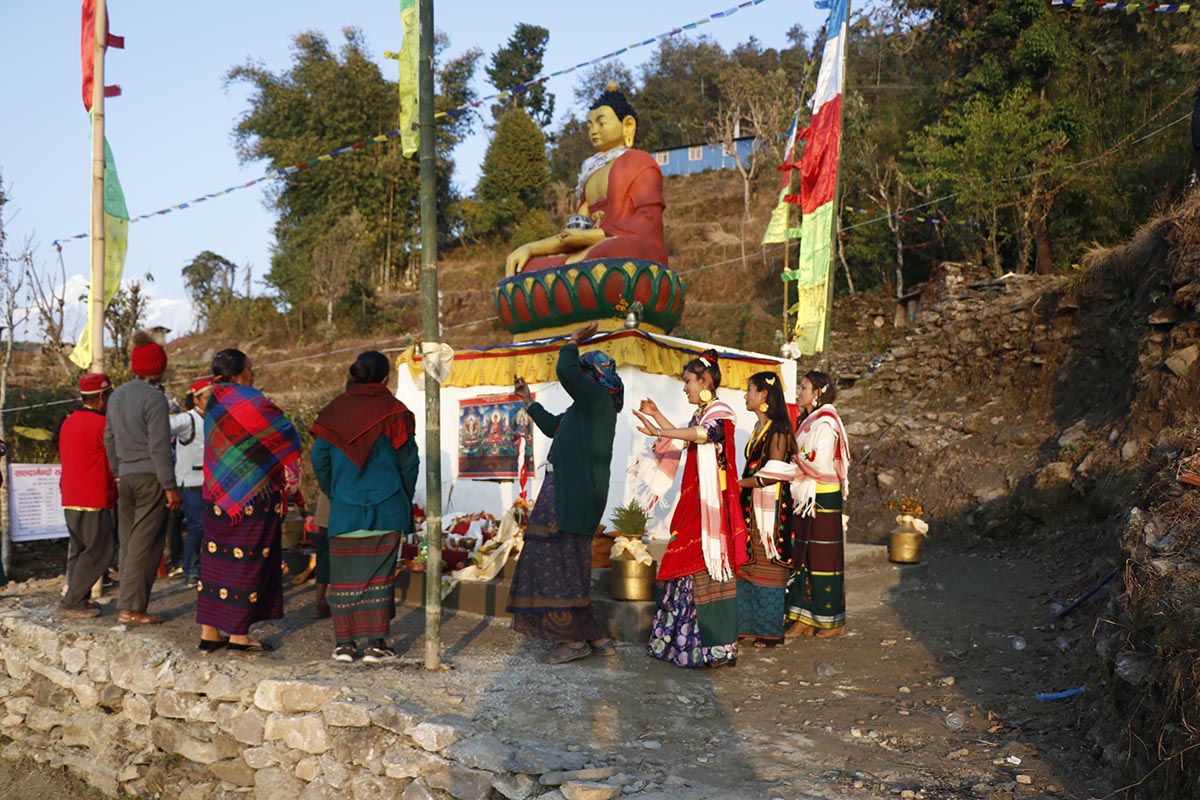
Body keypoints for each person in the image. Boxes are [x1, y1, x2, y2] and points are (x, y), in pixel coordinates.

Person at [507, 322, 620, 664]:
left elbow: (565, 370)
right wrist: (528, 401)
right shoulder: (583, 411)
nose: (578, 380)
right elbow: (555, 427)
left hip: (572, 497)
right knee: (565, 564)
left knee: (557, 565)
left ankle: (572, 642)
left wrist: (572, 342)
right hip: (564, 493)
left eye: (585, 374)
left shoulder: (598, 402)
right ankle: (596, 637)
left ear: (593, 377)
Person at [633, 350, 747, 668]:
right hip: (695, 503)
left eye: (687, 381)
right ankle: (683, 644)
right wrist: (656, 416)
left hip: (711, 508)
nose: (684, 388)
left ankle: (716, 648)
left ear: (705, 381)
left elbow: (702, 436)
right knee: (686, 562)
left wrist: (660, 430)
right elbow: (686, 437)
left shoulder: (720, 414)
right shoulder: (702, 413)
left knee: (706, 567)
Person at [311, 351, 418, 664]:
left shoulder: (331, 413)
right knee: (379, 578)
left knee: (344, 579)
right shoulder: (395, 411)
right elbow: (409, 462)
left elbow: (320, 460)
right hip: (387, 507)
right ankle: (375, 644)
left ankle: (344, 645)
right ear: (385, 378)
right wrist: (403, 495)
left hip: (344, 508)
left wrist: (335, 492)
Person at [197, 349, 301, 654]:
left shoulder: (212, 399)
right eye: (250, 369)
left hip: (217, 495)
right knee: (247, 563)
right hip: (252, 498)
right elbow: (285, 434)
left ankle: (210, 632)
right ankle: (239, 636)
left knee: (215, 563)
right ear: (239, 372)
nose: (253, 374)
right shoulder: (249, 398)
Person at [505, 83, 667, 276]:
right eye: (589, 125)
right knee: (526, 268)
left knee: (616, 252)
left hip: (622, 251)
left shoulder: (639, 162)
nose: (593, 131)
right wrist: (530, 248)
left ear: (627, 125)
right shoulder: (591, 173)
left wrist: (592, 237)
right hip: (588, 255)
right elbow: (574, 232)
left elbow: (648, 221)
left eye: (601, 123)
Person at [104, 331, 182, 624]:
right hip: (151, 477)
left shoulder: (117, 396)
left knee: (129, 541)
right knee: (145, 545)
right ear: (158, 367)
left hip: (126, 477)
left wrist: (117, 473)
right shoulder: (155, 398)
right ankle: (131, 609)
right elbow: (159, 446)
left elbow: (109, 438)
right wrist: (169, 486)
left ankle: (127, 603)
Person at [786, 371, 851, 640]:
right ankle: (803, 617)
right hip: (805, 496)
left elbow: (821, 464)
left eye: (804, 387)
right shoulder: (809, 421)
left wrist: (795, 463)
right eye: (799, 386)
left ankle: (833, 621)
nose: (799, 392)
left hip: (822, 496)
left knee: (824, 560)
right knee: (803, 557)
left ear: (819, 391)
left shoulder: (826, 423)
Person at [734, 372, 798, 648]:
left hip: (770, 508)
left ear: (763, 396)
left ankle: (770, 632)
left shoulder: (779, 431)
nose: (745, 395)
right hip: (751, 505)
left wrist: (738, 484)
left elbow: (773, 473)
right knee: (748, 563)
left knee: (767, 566)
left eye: (749, 390)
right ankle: (747, 626)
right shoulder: (759, 428)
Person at [57, 373, 117, 619]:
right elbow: (113, 460)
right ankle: (72, 602)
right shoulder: (102, 425)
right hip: (94, 495)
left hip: (70, 495)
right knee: (99, 551)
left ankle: (76, 597)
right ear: (102, 397)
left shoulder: (68, 421)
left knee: (79, 550)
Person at [169, 377, 212, 586]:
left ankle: (203, 567)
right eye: (207, 397)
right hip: (192, 483)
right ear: (196, 399)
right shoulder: (187, 420)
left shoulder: (216, 419)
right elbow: (164, 426)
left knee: (208, 527)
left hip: (211, 484)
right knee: (197, 527)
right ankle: (191, 569)